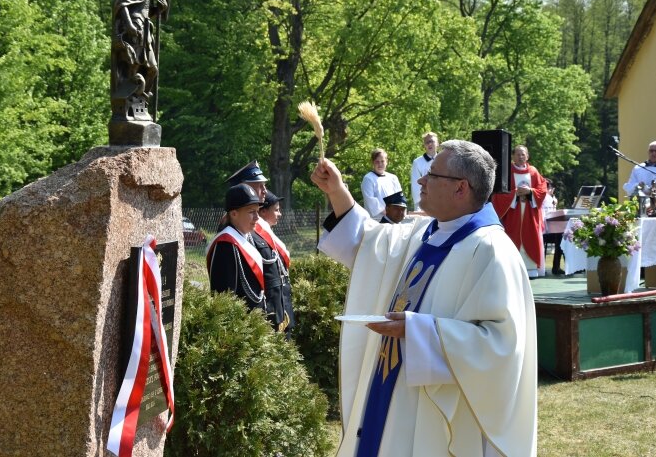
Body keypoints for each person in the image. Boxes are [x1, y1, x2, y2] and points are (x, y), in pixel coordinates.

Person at [311, 140, 537, 457]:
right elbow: (367, 243)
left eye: (431, 175)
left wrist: (420, 331)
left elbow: (502, 347)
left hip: (434, 412)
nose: (420, 181)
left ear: (461, 188)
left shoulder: (490, 252)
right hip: (392, 393)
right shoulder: (423, 233)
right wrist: (336, 190)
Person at [207, 184, 293, 334]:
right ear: (234, 214)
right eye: (251, 212)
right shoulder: (226, 244)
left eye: (257, 211)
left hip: (255, 324)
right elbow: (225, 298)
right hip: (242, 329)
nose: (257, 217)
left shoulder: (245, 237)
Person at [227, 161, 295, 331]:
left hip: (277, 306)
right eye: (259, 186)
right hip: (261, 312)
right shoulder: (235, 225)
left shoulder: (257, 223)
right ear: (244, 187)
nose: (265, 190)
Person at [110, 0, 170, 118]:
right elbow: (121, 4)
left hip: (145, 28)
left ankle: (140, 100)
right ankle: (128, 109)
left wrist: (159, 7)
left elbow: (147, 11)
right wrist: (128, 24)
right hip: (134, 28)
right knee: (133, 68)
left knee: (152, 69)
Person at [491, 145, 547, 278]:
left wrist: (530, 192)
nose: (520, 157)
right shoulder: (507, 171)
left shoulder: (533, 171)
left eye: (523, 154)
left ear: (527, 156)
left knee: (530, 235)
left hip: (529, 213)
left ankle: (531, 269)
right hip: (513, 213)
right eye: (518, 154)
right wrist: (514, 194)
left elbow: (542, 189)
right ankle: (512, 267)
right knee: (512, 237)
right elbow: (498, 193)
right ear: (513, 156)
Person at [360, 148, 402, 221]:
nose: (380, 164)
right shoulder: (368, 178)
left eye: (382, 161)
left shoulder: (393, 178)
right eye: (377, 162)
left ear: (386, 162)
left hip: (394, 219)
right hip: (377, 220)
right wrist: (388, 213)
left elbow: (399, 198)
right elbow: (371, 201)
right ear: (372, 162)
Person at [410, 132, 439, 211]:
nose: (429, 144)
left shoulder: (444, 160)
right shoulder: (417, 162)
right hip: (425, 201)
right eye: (427, 142)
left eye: (432, 141)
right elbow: (415, 185)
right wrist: (421, 203)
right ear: (424, 145)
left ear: (437, 144)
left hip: (441, 200)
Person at [541, 178, 564, 275]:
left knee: (560, 235)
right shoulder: (547, 198)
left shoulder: (552, 198)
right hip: (545, 231)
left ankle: (556, 266)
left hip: (546, 230)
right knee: (561, 236)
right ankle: (556, 266)